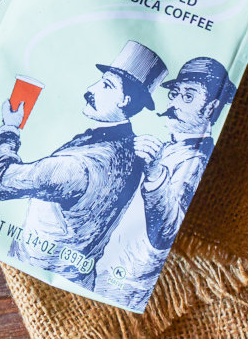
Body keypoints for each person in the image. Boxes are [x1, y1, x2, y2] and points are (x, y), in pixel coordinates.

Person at [0, 40, 167, 288]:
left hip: (33, 273)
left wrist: (9, 130)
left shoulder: (78, 166)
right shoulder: (131, 152)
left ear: (125, 100)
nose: (90, 89)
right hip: (79, 281)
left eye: (106, 85)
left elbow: (0, 182)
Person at [97, 56, 237, 309]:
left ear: (211, 108)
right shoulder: (169, 149)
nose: (173, 103)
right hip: (105, 268)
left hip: (126, 285)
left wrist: (154, 174)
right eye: (174, 93)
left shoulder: (195, 162)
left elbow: (166, 229)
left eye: (188, 96)